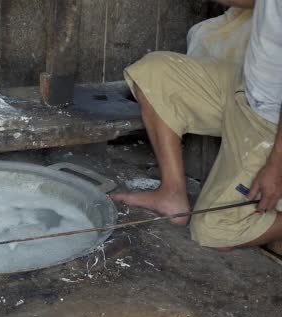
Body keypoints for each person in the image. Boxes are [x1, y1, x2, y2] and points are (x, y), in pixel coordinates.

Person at [112, 0, 282, 250]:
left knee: (215, 230)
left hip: (271, 122)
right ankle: (171, 194)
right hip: (248, 87)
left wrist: (276, 163)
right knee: (155, 73)